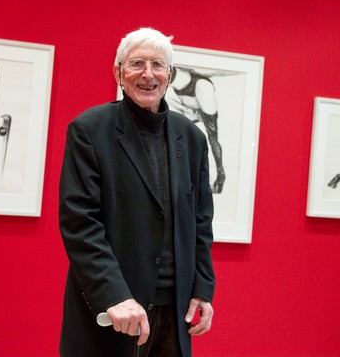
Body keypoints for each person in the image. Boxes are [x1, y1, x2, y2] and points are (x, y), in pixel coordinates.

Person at [59, 28, 216, 357]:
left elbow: (201, 221)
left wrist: (202, 288)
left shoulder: (192, 138)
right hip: (116, 311)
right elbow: (80, 223)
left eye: (158, 65)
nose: (148, 74)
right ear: (118, 72)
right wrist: (115, 295)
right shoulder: (89, 130)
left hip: (175, 311)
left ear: (169, 75)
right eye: (137, 64)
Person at [166, 67, 226, 193]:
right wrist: (189, 111)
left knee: (212, 137)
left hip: (200, 92)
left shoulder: (202, 88)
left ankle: (220, 174)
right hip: (188, 101)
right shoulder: (174, 87)